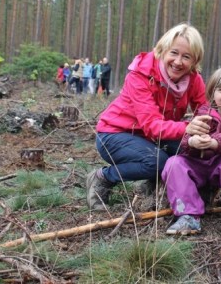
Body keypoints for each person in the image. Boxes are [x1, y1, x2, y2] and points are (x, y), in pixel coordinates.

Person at [87, 23, 212, 211]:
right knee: (158, 161)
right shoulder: (141, 75)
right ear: (162, 50)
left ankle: (156, 184)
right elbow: (152, 125)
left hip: (152, 138)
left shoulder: (193, 79)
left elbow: (205, 110)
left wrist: (210, 132)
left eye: (186, 57)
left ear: (194, 61)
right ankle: (103, 177)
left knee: (190, 149)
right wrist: (187, 128)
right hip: (113, 135)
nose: (178, 62)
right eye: (174, 53)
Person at [162, 66, 221, 236]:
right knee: (174, 163)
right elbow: (186, 138)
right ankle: (188, 215)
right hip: (197, 164)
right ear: (212, 94)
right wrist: (192, 140)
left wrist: (214, 142)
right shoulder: (203, 113)